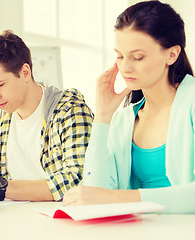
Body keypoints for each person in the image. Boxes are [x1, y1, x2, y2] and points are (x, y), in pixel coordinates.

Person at [63, 1, 195, 213]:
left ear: (171, 55)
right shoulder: (124, 119)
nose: (125, 67)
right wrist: (103, 116)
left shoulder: (191, 103)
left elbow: (107, 197)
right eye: (120, 56)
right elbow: (96, 192)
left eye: (138, 57)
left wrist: (116, 198)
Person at [0, 30, 93, 201]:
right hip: (12, 217)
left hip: (59, 218)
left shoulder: (69, 110)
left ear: (25, 72)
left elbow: (75, 180)